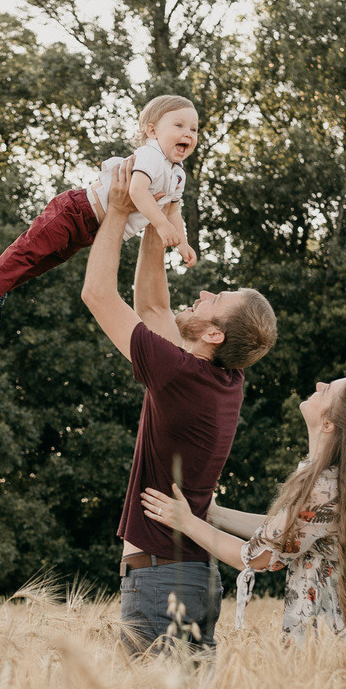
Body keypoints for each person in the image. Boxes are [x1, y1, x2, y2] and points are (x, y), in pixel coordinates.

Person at [77, 172, 277, 654]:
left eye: (216, 301)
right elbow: (151, 304)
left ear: (214, 336)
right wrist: (156, 220)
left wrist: (122, 209)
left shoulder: (182, 375)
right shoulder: (220, 379)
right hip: (188, 577)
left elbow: (98, 295)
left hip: (160, 582)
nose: (205, 294)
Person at [140, 374, 346, 640]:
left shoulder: (323, 488)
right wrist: (214, 514)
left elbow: (254, 557)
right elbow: (283, 529)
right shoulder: (335, 480)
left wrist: (187, 522)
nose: (318, 385)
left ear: (328, 424)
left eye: (327, 392)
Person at [0, 96, 199, 326]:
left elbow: (173, 211)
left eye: (194, 129)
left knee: (45, 260)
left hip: (92, 231)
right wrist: (161, 226)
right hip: (76, 211)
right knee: (33, 247)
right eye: (178, 125)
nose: (188, 133)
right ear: (152, 131)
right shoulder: (152, 156)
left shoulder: (177, 174)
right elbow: (137, 191)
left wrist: (182, 242)